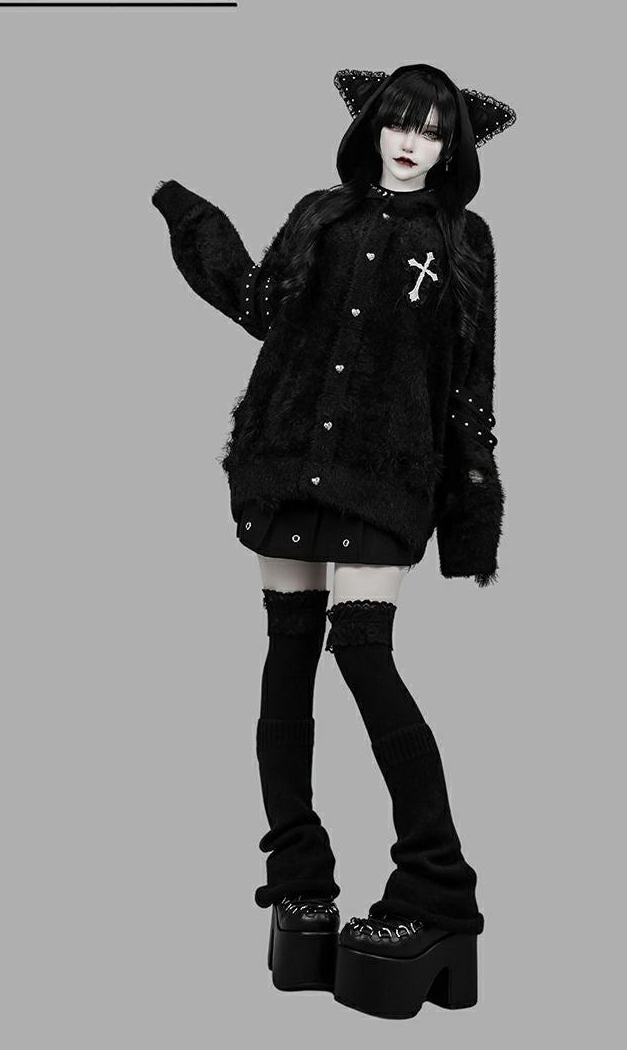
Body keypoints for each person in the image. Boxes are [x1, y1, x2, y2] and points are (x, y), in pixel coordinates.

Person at [151, 63, 515, 1018]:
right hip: (282, 458)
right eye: (399, 123)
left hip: (381, 476)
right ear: (371, 127)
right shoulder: (321, 213)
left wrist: (471, 510)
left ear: (453, 148)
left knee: (362, 652)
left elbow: (469, 384)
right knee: (286, 655)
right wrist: (191, 218)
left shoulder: (463, 238)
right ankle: (301, 887)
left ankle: (438, 892)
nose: (411, 144)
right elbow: (262, 308)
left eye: (431, 131)